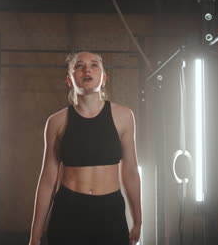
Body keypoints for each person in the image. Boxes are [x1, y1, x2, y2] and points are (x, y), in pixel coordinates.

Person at [29, 51, 142, 245]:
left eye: (94, 65)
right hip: (69, 211)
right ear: (69, 80)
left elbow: (130, 171)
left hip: (110, 211)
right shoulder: (56, 121)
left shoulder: (124, 116)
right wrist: (35, 236)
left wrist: (138, 221)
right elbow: (48, 179)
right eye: (79, 66)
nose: (86, 69)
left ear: (104, 78)